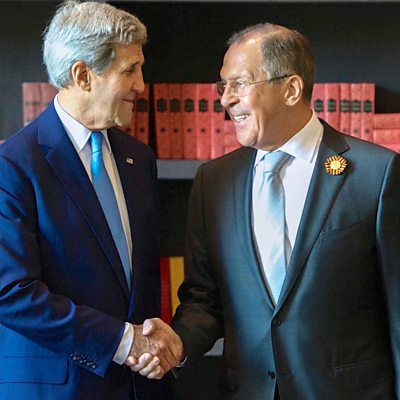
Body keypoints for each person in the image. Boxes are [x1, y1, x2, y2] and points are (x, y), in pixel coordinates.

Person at [171, 23, 400, 399]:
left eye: (239, 83)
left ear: (291, 89)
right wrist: (175, 344)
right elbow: (203, 298)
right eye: (222, 86)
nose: (225, 100)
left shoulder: (377, 174)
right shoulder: (213, 181)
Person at [0, 1, 182, 399]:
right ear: (82, 75)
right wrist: (123, 341)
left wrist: (150, 344)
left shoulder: (139, 159)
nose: (141, 85)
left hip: (141, 386)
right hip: (58, 388)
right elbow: (11, 293)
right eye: (129, 70)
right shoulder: (12, 165)